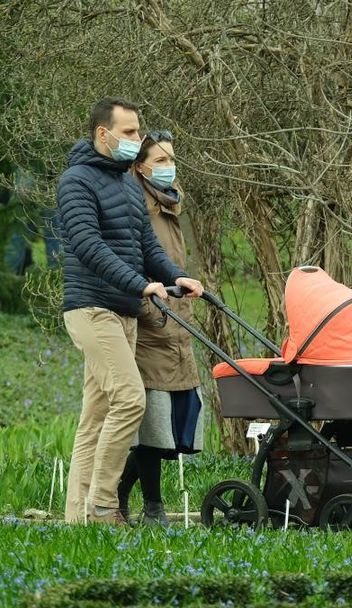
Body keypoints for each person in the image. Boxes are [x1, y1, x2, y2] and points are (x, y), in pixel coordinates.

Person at [57, 97, 203, 526]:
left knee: (95, 416)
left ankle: (76, 516)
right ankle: (104, 506)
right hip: (91, 309)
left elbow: (147, 247)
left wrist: (179, 277)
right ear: (103, 134)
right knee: (129, 398)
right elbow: (88, 246)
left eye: (138, 132)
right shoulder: (75, 182)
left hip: (123, 313)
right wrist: (140, 284)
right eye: (129, 133)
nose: (136, 141)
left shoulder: (124, 183)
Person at [117, 130, 204, 525]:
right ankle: (151, 505)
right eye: (162, 160)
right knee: (154, 424)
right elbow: (136, 262)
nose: (170, 168)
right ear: (140, 167)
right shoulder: (139, 209)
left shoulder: (169, 208)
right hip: (150, 322)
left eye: (172, 160)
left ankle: (122, 492)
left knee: (172, 425)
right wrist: (149, 306)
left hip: (174, 322)